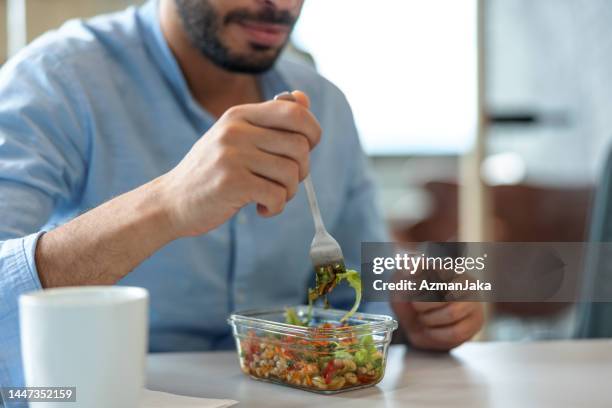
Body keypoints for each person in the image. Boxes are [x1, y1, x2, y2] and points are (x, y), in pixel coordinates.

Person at [0, 0, 484, 386]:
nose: (280, 5)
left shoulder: (326, 105)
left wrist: (415, 316)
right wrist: (167, 204)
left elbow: (358, 291)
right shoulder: (57, 80)